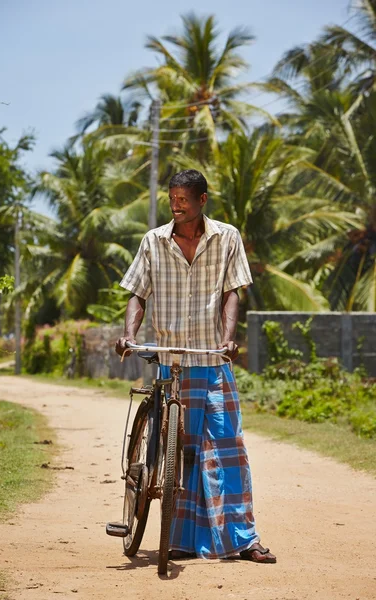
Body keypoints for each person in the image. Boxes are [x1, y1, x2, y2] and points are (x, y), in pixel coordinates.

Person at [115, 169, 276, 563]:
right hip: (171, 361)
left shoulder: (227, 237)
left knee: (227, 447)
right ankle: (183, 538)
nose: (176, 205)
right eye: (172, 199)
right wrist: (129, 335)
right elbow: (137, 293)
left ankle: (242, 538)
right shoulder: (153, 241)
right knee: (181, 453)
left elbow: (231, 294)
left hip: (210, 358)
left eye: (184, 199)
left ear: (202, 200)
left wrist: (227, 339)